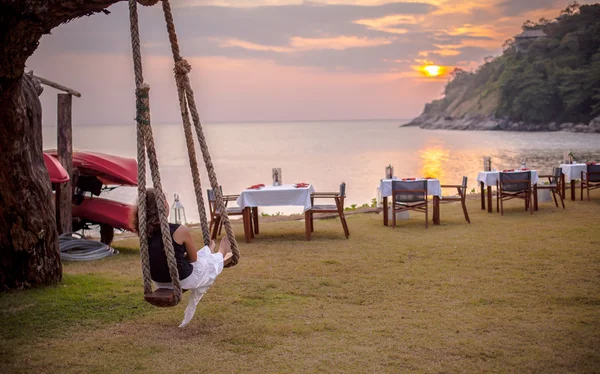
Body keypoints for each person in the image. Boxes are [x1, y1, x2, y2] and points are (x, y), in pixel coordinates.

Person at [131, 188, 232, 327]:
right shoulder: (180, 230)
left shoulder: (143, 233)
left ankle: (209, 249)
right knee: (206, 264)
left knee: (201, 257)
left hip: (159, 281)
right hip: (182, 279)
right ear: (164, 206)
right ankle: (221, 251)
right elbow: (193, 259)